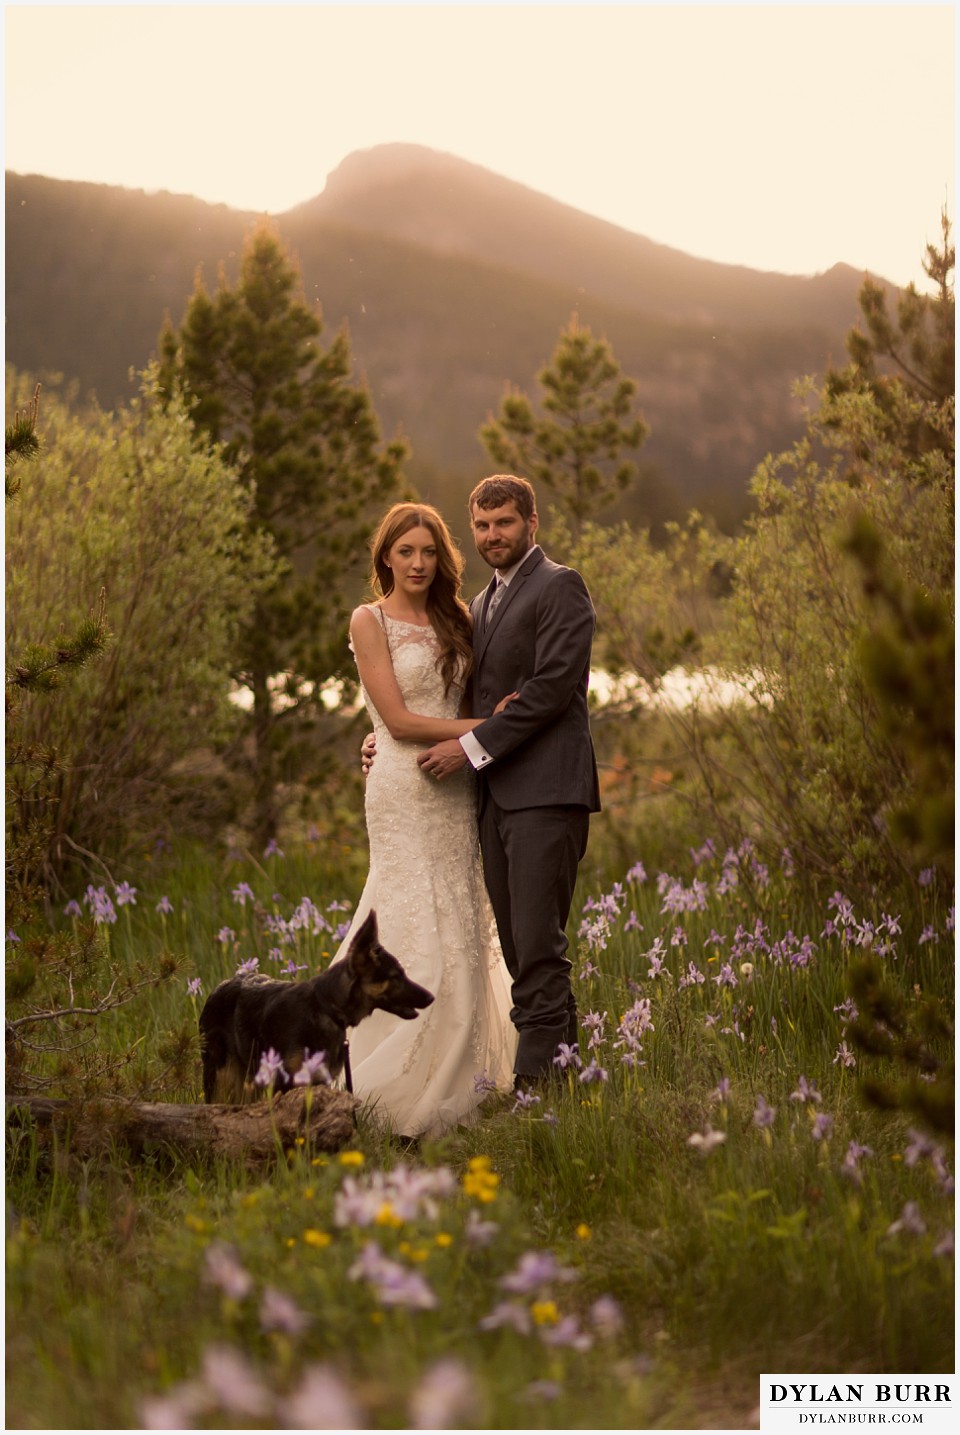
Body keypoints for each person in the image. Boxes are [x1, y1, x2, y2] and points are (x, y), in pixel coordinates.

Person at [331, 501, 517, 1139]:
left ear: (443, 560)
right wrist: (495, 728)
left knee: (462, 919)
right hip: (401, 790)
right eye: (406, 551)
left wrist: (476, 735)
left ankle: (464, 1076)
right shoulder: (369, 620)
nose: (417, 562)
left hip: (454, 784)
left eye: (429, 552)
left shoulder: (460, 618)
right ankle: (383, 1082)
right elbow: (402, 721)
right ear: (385, 555)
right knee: (408, 918)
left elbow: (462, 699)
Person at [415, 474, 601, 1086]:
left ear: (531, 524)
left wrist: (468, 749)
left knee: (536, 941)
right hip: (497, 798)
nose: (493, 535)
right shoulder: (484, 601)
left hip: (548, 793)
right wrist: (388, 738)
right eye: (483, 526)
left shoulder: (560, 586)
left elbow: (550, 690)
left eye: (505, 523)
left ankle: (535, 1091)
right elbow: (466, 697)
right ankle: (566, 1080)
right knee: (522, 950)